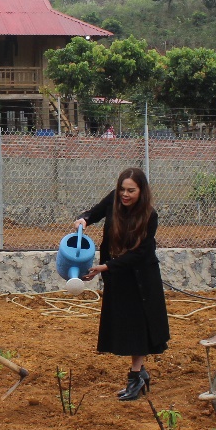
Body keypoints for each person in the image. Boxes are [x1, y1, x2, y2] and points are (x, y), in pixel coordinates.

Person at [77, 167, 169, 401]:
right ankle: (140, 374)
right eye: (122, 190)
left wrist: (105, 267)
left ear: (142, 191)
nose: (125, 195)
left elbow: (141, 253)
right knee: (125, 327)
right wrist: (84, 220)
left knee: (138, 329)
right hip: (118, 277)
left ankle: (135, 377)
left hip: (140, 280)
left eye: (131, 190)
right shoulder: (114, 201)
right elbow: (95, 213)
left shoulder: (149, 215)